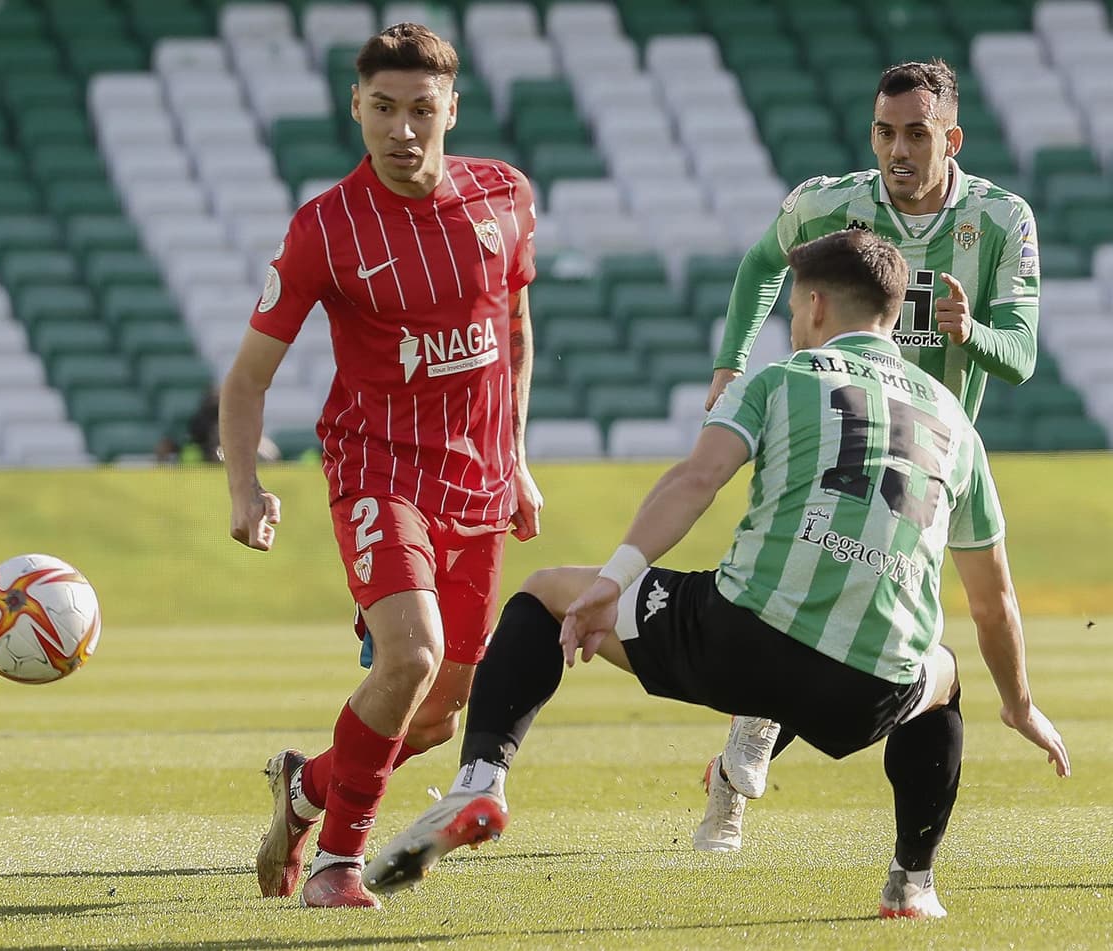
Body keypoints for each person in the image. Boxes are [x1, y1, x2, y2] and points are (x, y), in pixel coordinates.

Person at [363, 229, 1069, 919]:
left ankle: (481, 781)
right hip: (869, 686)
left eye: (793, 308)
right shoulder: (956, 425)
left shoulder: (782, 378)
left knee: (547, 592)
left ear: (816, 304)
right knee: (942, 675)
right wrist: (1020, 705)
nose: (793, 323)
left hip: (739, 641)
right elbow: (993, 602)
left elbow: (696, 480)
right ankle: (911, 884)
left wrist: (614, 579)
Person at [218, 23, 542, 908]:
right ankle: (338, 861)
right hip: (379, 472)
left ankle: (306, 788)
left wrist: (517, 459)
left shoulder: (505, 195)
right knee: (411, 655)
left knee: (435, 713)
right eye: (384, 108)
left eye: (421, 110)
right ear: (355, 106)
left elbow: (513, 330)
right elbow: (246, 379)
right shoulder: (325, 228)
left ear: (451, 110)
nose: (402, 129)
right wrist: (246, 487)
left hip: (479, 480)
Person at [698, 59, 1044, 852]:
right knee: (840, 623)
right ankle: (893, 859)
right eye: (885, 133)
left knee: (863, 644)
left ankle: (743, 758)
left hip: (930, 458)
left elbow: (1021, 356)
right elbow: (761, 263)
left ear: (952, 139)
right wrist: (731, 360)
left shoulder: (1000, 219)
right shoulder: (833, 205)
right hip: (839, 440)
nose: (898, 151)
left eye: (917, 134)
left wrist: (970, 333)